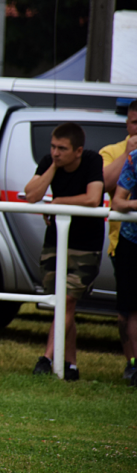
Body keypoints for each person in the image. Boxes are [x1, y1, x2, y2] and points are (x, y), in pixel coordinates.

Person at [25, 122, 104, 381]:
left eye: (62, 148)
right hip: (55, 243)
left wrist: (58, 202)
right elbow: (32, 195)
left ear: (78, 150)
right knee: (62, 304)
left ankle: (46, 358)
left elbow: (94, 198)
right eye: (53, 147)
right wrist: (52, 167)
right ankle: (71, 364)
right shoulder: (50, 162)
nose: (55, 152)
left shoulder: (92, 161)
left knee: (67, 302)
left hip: (85, 245)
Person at [100, 100, 137, 380]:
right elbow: (106, 187)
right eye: (134, 123)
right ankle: (132, 364)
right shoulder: (116, 152)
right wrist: (127, 154)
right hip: (123, 243)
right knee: (127, 310)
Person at [110, 147, 137, 386]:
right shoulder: (134, 159)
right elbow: (117, 201)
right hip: (131, 241)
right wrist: (134, 204)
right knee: (130, 311)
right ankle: (135, 366)